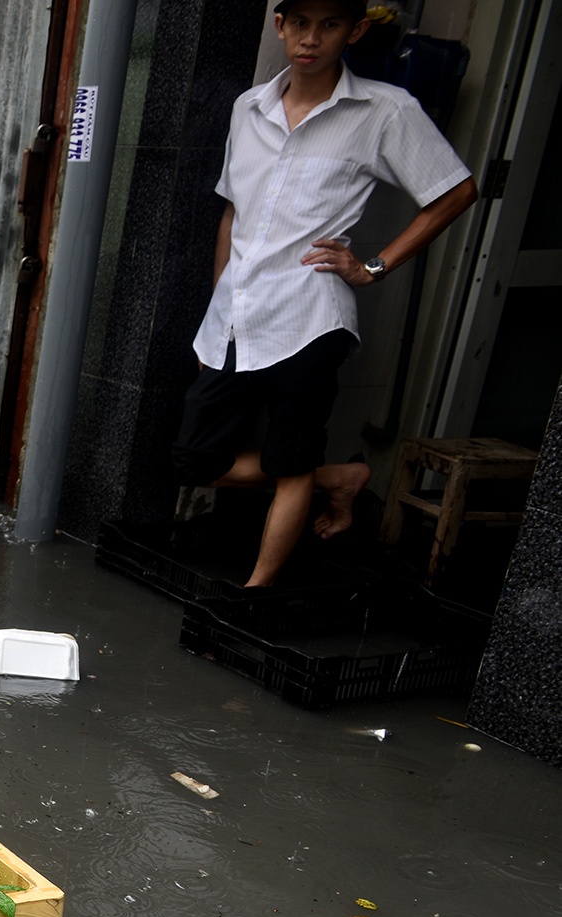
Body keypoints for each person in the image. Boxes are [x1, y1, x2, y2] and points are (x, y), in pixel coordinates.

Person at [174, 0, 477, 586]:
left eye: (330, 25)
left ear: (355, 30)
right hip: (237, 317)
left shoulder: (384, 109)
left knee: (291, 464)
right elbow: (233, 214)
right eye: (300, 23)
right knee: (196, 459)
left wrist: (374, 266)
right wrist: (220, 304)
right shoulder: (249, 107)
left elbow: (455, 191)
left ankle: (255, 592)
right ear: (280, 26)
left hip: (311, 318)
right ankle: (338, 478)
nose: (311, 39)